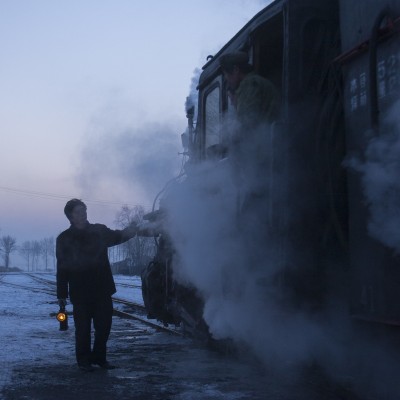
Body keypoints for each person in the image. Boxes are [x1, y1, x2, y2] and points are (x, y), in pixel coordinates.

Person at [56, 198, 138, 372]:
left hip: (102, 289)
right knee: (83, 330)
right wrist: (61, 294)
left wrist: (133, 229)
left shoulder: (99, 231)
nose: (83, 214)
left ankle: (100, 358)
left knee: (104, 328)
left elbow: (118, 236)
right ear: (70, 216)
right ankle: (84, 362)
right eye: (78, 212)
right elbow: (62, 268)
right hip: (80, 292)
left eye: (84, 210)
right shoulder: (64, 239)